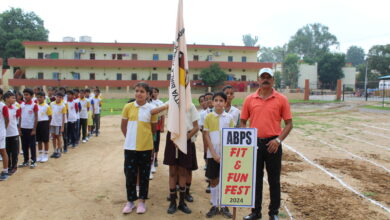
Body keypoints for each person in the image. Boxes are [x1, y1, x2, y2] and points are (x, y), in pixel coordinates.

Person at [241, 68, 293, 220]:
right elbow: (243, 121)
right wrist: (247, 138)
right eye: (262, 77)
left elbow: (289, 124)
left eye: (268, 77)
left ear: (273, 80)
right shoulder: (249, 99)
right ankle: (255, 212)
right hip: (254, 144)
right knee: (256, 180)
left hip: (273, 144)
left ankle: (273, 213)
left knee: (274, 180)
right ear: (258, 80)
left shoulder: (281, 99)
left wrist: (278, 140)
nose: (265, 80)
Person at [151, 100, 199, 214]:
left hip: (185, 137)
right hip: (172, 137)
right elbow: (153, 112)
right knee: (172, 171)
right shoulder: (170, 103)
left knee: (183, 171)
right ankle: (173, 202)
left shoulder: (190, 105)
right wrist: (168, 105)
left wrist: (184, 139)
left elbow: (196, 127)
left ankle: (182, 202)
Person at [121, 82, 157, 214]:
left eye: (142, 91)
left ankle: (142, 201)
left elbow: (153, 130)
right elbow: (123, 126)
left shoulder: (152, 109)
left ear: (148, 94)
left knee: (144, 175)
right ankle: (130, 201)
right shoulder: (128, 107)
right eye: (137, 91)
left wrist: (145, 140)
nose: (138, 94)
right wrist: (130, 138)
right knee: (130, 175)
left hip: (146, 148)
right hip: (130, 148)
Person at [203, 92, 234, 218]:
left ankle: (224, 205)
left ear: (225, 103)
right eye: (216, 100)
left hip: (226, 155)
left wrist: (226, 154)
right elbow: (206, 135)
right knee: (213, 180)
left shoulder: (229, 118)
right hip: (212, 155)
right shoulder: (208, 117)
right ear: (213, 102)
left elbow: (232, 137)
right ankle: (215, 205)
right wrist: (214, 153)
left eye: (221, 100)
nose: (218, 102)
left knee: (225, 180)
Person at [19, 88, 39, 169]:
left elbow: (36, 117)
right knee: (24, 146)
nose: (25, 96)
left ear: (31, 96)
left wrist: (34, 129)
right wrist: (19, 128)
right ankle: (25, 160)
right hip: (23, 128)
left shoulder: (34, 105)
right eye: (24, 95)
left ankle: (33, 161)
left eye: (27, 95)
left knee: (32, 145)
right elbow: (20, 117)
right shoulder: (22, 105)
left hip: (30, 129)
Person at [4, 91, 21, 175]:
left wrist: (19, 128)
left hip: (14, 132)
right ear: (6, 99)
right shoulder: (3, 108)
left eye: (15, 97)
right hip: (5, 133)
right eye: (12, 98)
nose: (15, 99)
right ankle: (8, 166)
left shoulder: (16, 107)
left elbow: (18, 118)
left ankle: (14, 167)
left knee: (14, 151)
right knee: (6, 151)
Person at [36, 92, 52, 163]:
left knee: (45, 140)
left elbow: (50, 116)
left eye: (41, 97)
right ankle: (40, 155)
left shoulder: (47, 106)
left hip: (45, 123)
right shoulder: (36, 105)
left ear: (44, 98)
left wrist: (47, 124)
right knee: (39, 140)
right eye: (38, 97)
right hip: (38, 124)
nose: (39, 99)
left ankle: (45, 155)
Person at [50, 92, 66, 159]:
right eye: (57, 97)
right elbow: (50, 114)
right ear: (55, 97)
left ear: (62, 98)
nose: (58, 98)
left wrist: (62, 126)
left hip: (59, 124)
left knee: (58, 137)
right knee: (53, 137)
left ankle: (59, 150)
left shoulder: (63, 105)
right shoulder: (52, 104)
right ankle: (55, 150)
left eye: (60, 97)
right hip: (52, 123)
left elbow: (63, 117)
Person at [151, 87, 164, 168]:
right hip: (149, 126)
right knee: (150, 142)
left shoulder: (160, 103)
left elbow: (162, 116)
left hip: (157, 126)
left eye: (156, 92)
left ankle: (155, 158)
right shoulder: (148, 101)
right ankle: (150, 158)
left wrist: (162, 126)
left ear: (158, 93)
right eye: (152, 92)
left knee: (156, 142)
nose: (154, 93)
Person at [0, 89, 10, 181]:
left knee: (3, 151)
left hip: (0, 132)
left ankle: (5, 171)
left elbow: (7, 120)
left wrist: (4, 129)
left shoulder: (3, 106)